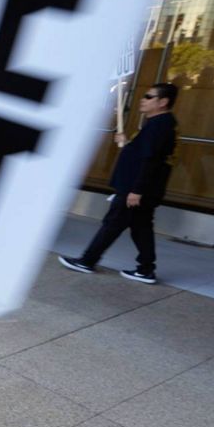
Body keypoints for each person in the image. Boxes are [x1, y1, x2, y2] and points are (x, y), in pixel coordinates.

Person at [60, 82, 179, 284]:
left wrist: (137, 190)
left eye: (149, 97)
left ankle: (88, 260)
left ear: (163, 102)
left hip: (135, 189)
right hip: (139, 188)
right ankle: (146, 269)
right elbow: (143, 154)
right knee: (141, 228)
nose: (143, 99)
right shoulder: (159, 124)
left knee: (113, 224)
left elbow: (152, 161)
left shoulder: (159, 125)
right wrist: (127, 143)